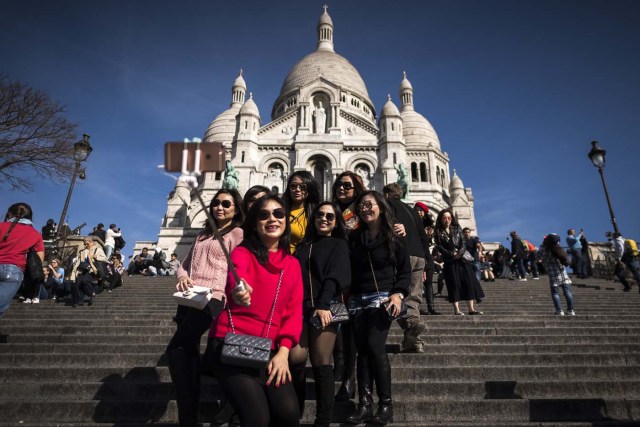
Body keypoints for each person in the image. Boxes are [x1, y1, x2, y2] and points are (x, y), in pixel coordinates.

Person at [205, 194, 303, 427]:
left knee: (289, 414)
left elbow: (293, 311)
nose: (272, 219)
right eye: (263, 214)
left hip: (268, 349)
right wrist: (240, 291)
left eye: (278, 213)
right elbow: (237, 277)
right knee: (257, 418)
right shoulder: (242, 252)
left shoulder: (292, 264)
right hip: (232, 343)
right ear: (254, 222)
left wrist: (283, 352)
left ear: (286, 221)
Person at [166, 188, 244, 427]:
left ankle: (187, 416)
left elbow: (238, 267)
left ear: (235, 209)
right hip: (189, 296)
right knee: (187, 354)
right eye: (216, 203)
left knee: (176, 348)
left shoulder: (237, 233)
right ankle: (188, 415)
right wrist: (181, 276)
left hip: (213, 298)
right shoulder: (202, 234)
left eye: (226, 204)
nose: (220, 207)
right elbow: (184, 263)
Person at [346, 191, 410, 425]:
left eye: (369, 205)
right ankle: (364, 405)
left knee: (375, 346)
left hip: (383, 297)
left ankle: (386, 405)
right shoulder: (355, 237)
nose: (365, 209)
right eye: (361, 206)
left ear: (381, 207)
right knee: (362, 351)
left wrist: (398, 293)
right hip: (357, 300)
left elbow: (404, 270)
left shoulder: (393, 234)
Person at [289, 202, 351, 426]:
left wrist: (323, 304)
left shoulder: (338, 245)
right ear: (313, 219)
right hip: (300, 308)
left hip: (326, 306)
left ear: (336, 223)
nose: (324, 219)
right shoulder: (303, 247)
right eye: (320, 215)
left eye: (330, 217)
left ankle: (323, 420)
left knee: (321, 360)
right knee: (295, 357)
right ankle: (295, 409)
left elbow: (336, 276)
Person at [330, 171, 365, 400]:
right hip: (336, 278)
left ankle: (349, 378)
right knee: (337, 322)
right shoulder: (331, 212)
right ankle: (340, 364)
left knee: (353, 329)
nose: (342, 189)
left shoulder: (362, 211)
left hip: (359, 278)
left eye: (347, 185)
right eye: (339, 185)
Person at [383, 183, 428, 353]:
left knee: (396, 294)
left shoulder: (387, 205)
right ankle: (414, 342)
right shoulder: (412, 211)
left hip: (402, 255)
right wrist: (427, 264)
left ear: (386, 195)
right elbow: (423, 237)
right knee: (414, 299)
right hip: (419, 257)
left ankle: (410, 323)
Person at [433, 208, 485, 316]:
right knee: (453, 284)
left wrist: (459, 253)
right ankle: (457, 310)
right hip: (450, 261)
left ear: (451, 218)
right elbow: (439, 246)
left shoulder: (457, 228)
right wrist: (451, 254)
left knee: (468, 282)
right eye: (444, 218)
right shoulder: (438, 231)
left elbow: (463, 243)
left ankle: (471, 309)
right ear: (440, 219)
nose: (447, 220)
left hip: (462, 260)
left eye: (449, 218)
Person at [0, 203, 45, 318]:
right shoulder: (35, 234)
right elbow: (39, 259)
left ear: (10, 213)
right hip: (14, 270)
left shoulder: (1, 226)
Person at [283, 171, 320, 253]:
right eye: (293, 186)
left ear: (309, 189)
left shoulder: (316, 213)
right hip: (281, 259)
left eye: (303, 187)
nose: (297, 189)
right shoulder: (280, 210)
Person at [538, 234, 575, 315]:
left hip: (553, 275)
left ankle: (559, 310)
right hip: (563, 274)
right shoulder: (558, 248)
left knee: (555, 293)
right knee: (567, 292)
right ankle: (571, 310)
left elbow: (538, 258)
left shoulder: (543, 250)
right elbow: (564, 259)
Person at [70, 236, 108, 307]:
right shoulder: (82, 251)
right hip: (81, 269)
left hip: (92, 269)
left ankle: (91, 293)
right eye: (85, 244)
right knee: (78, 284)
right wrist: (74, 271)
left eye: (87, 244)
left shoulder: (98, 249)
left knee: (85, 281)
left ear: (92, 242)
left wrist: (96, 257)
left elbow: (105, 259)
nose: (86, 245)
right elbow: (77, 261)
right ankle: (80, 300)